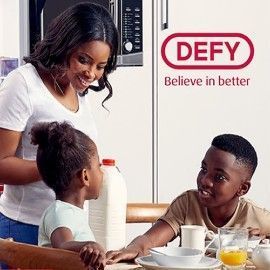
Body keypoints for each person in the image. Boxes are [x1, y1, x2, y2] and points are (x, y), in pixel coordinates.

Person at [0, 2, 118, 245]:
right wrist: (59, 167)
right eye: (84, 60)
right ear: (65, 46)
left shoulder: (77, 92)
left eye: (100, 66)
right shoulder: (23, 84)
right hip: (25, 226)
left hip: (69, 226)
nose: (91, 73)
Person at [106, 134, 270, 263]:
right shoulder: (188, 203)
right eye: (203, 169)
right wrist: (135, 247)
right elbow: (149, 240)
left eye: (219, 177)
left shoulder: (258, 217)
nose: (205, 180)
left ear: (243, 188)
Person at [31, 121, 105, 269]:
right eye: (98, 167)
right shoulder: (59, 212)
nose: (102, 173)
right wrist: (91, 245)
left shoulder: (70, 212)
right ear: (85, 176)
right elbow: (62, 246)